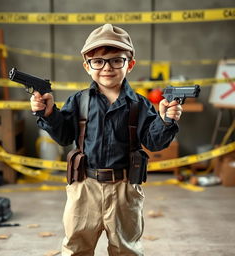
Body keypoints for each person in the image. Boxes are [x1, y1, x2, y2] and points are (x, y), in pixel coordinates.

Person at [30, 23, 182, 256]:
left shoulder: (139, 105)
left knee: (126, 250)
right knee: (76, 247)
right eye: (98, 61)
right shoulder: (79, 101)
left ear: (129, 64)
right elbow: (64, 137)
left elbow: (153, 143)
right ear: (87, 66)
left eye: (116, 60)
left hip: (124, 190)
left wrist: (165, 121)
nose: (106, 67)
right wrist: (48, 113)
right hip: (84, 187)